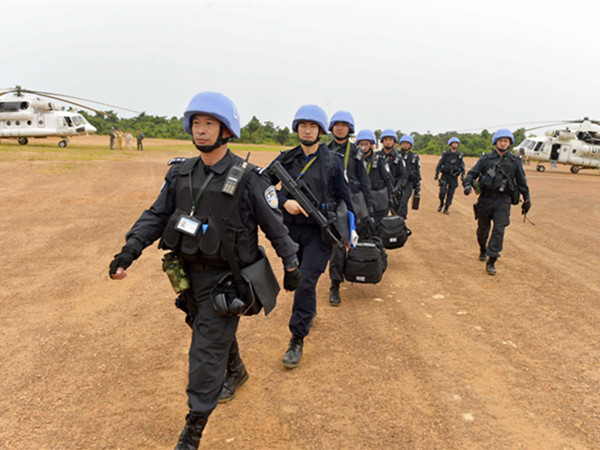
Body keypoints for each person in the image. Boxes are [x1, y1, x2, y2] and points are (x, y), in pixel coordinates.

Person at [108, 91, 301, 449]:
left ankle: (193, 430)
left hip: (227, 280)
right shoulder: (181, 173)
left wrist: (291, 264)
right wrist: (129, 250)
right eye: (196, 123)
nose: (200, 130)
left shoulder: (248, 179)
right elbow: (156, 215)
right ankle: (237, 371)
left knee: (205, 351)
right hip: (189, 275)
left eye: (208, 123)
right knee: (206, 330)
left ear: (226, 130)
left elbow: (275, 227)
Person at [268, 104, 353, 368]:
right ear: (297, 129)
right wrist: (284, 201)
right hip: (290, 231)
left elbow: (345, 198)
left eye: (312, 126)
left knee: (305, 282)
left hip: (320, 232)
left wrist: (350, 232)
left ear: (320, 130)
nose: (307, 130)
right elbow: (263, 187)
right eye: (303, 125)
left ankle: (297, 338)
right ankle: (309, 310)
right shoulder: (286, 159)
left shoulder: (333, 162)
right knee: (297, 279)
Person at [463, 128, 531, 275]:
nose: (503, 143)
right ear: (496, 142)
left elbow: (522, 181)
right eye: (501, 141)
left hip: (503, 201)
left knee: (499, 231)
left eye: (506, 141)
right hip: (485, 200)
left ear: (510, 143)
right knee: (482, 231)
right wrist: (467, 184)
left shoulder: (515, 161)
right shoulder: (486, 159)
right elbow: (472, 174)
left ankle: (492, 259)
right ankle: (483, 248)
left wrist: (527, 198)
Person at [326, 111, 374, 307]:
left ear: (349, 128)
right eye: (336, 124)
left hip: (353, 200)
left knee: (353, 240)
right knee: (338, 245)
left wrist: (369, 208)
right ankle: (335, 285)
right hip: (333, 203)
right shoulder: (324, 149)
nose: (340, 127)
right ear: (331, 127)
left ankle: (355, 271)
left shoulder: (356, 152)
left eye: (344, 125)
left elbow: (364, 181)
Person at [358, 129, 394, 229]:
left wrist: (390, 197)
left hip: (378, 202)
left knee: (377, 228)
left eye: (366, 144)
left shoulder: (379, 160)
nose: (364, 147)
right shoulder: (356, 160)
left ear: (371, 144)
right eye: (361, 144)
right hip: (361, 201)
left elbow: (388, 180)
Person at [378, 129, 408, 216]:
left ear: (394, 142)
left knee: (396, 217)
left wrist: (397, 188)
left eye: (390, 140)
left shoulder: (398, 158)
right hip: (380, 192)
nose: (388, 142)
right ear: (382, 141)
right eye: (386, 139)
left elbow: (403, 176)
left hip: (394, 192)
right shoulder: (376, 156)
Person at [435, 137, 465, 214]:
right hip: (445, 176)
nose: (455, 144)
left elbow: (463, 167)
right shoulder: (446, 154)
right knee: (442, 192)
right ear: (450, 144)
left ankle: (446, 207)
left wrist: (462, 176)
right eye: (453, 143)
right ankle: (441, 203)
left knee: (450, 193)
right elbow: (439, 164)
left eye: (456, 143)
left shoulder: (460, 156)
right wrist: (437, 174)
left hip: (454, 177)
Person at [397, 134, 421, 220]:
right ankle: (397, 218)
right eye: (404, 143)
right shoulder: (397, 155)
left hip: (409, 183)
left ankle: (401, 219)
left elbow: (417, 171)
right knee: (396, 203)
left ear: (410, 145)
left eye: (407, 143)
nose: (405, 145)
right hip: (398, 182)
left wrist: (418, 185)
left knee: (404, 201)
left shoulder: (414, 157)